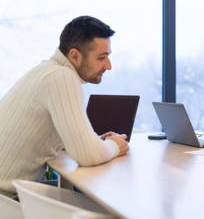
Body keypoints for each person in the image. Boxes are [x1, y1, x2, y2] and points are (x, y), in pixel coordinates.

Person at [0, 16, 129, 198]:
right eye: (101, 58)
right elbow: (87, 156)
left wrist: (94, 142)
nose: (108, 66)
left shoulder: (46, 70)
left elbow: (75, 145)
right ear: (75, 55)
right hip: (7, 202)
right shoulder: (61, 77)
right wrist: (115, 146)